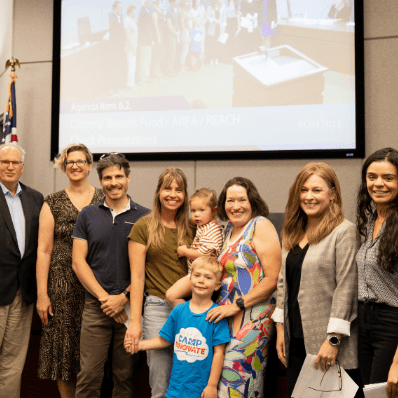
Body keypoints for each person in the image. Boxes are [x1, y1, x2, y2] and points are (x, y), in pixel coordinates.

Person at [272, 162, 364, 398]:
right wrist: (281, 330)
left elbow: (347, 289)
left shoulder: (344, 232)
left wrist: (333, 341)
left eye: (317, 190)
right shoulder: (291, 231)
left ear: (332, 194)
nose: (309, 197)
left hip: (329, 345)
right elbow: (283, 284)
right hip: (295, 340)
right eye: (304, 190)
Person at [72, 153, 149, 398]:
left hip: (130, 309)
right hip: (97, 307)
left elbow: (148, 268)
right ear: (100, 180)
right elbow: (78, 262)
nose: (113, 182)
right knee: (89, 376)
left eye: (118, 176)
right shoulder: (87, 214)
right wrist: (107, 299)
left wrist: (123, 298)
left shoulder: (145, 217)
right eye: (107, 178)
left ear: (127, 178)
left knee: (125, 377)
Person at [36, 144, 103, 398]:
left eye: (80, 161)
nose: (75, 165)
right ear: (64, 166)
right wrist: (43, 294)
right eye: (70, 161)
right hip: (60, 290)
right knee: (63, 355)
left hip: (95, 286)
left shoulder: (103, 199)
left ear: (89, 165)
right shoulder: (51, 203)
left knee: (93, 354)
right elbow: (43, 251)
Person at [206, 176, 281, 397]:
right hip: (225, 322)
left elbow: (272, 279)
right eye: (230, 200)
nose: (236, 206)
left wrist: (237, 305)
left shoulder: (260, 225)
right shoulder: (228, 229)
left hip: (251, 320)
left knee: (239, 384)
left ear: (252, 201)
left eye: (242, 200)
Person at [126, 167, 193, 398]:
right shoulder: (143, 226)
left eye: (179, 189)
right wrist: (136, 322)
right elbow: (137, 277)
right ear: (158, 192)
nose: (173, 194)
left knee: (188, 381)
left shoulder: (192, 228)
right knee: (161, 383)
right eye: (167, 188)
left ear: (185, 195)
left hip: (190, 309)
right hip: (156, 308)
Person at [125, 257, 231, 398]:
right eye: (197, 275)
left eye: (208, 277)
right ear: (190, 279)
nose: (201, 280)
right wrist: (139, 345)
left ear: (217, 285)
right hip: (175, 389)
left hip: (200, 391)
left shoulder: (216, 315)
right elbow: (165, 340)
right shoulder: (179, 311)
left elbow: (219, 353)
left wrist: (211, 386)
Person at [0, 143, 44, 398]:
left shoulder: (35, 198)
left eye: (15, 163)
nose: (9, 166)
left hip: (23, 293)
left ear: (22, 168)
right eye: (5, 161)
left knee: (13, 363)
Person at [356, 148, 398, 398]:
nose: (378, 183)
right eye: (372, 177)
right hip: (365, 323)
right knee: (372, 394)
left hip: (391, 326)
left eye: (388, 177)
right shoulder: (374, 218)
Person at [166, 188, 223, 307]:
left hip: (203, 274)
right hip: (198, 273)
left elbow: (204, 254)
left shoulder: (212, 229)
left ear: (214, 211)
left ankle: (190, 316)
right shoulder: (204, 226)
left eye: (202, 210)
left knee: (171, 295)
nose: (196, 214)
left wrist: (185, 251)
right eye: (193, 210)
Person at [125, 4, 138, 89]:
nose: (135, 12)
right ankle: (130, 84)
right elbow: (128, 36)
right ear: (130, 11)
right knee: (131, 65)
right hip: (130, 47)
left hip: (134, 46)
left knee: (133, 65)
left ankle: (132, 82)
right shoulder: (127, 21)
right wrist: (133, 47)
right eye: (134, 10)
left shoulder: (132, 20)